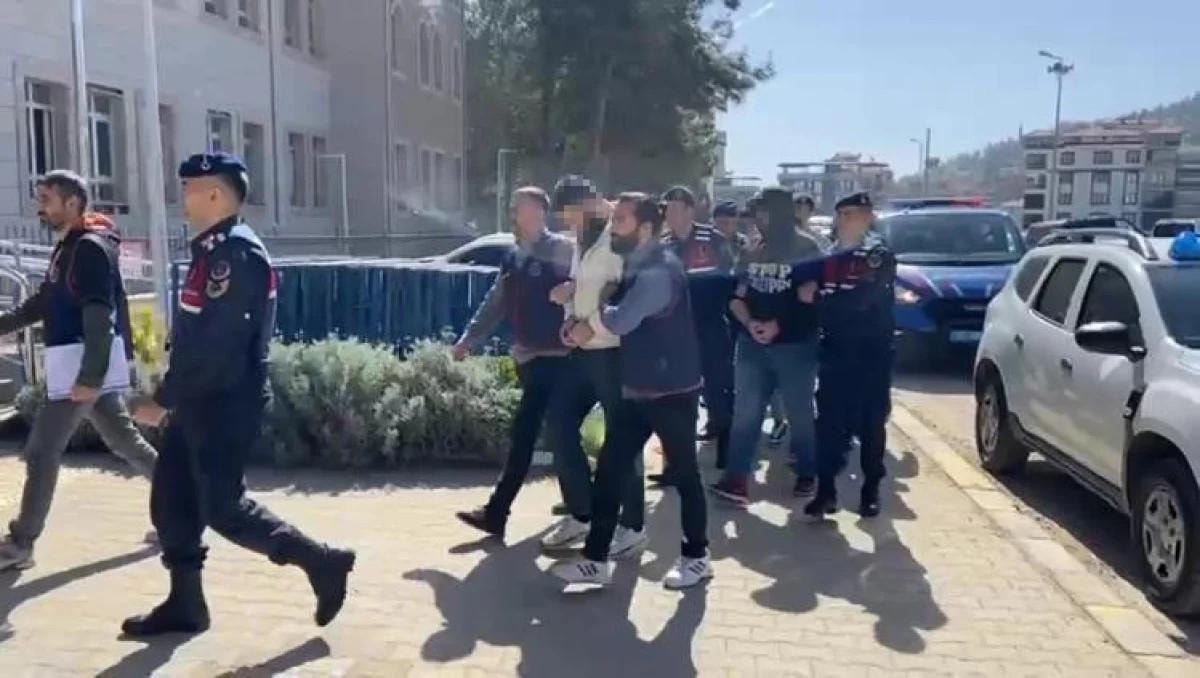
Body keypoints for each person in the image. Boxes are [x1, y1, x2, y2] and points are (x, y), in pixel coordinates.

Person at [123, 153, 355, 636]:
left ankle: (322, 561)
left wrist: (163, 399)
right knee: (172, 500)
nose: (183, 198)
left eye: (190, 188)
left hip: (224, 401)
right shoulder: (213, 251)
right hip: (200, 399)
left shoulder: (235, 256)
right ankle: (186, 604)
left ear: (215, 194)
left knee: (224, 507)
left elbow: (215, 346)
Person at [0, 171, 159, 572]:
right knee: (125, 442)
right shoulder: (70, 246)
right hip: (81, 368)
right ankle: (186, 507)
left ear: (72, 203)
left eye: (47, 200)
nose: (40, 208)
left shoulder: (88, 248)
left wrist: (89, 378)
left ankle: (21, 543)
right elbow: (44, 302)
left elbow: (100, 315)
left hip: (80, 371)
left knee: (42, 451)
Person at [552, 193, 711, 590]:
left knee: (685, 476)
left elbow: (621, 321)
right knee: (611, 470)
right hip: (639, 388)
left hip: (671, 391)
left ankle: (697, 558)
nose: (612, 227)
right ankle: (595, 560)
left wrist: (598, 304)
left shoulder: (658, 271)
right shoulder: (637, 264)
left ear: (645, 228)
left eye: (620, 220)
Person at [453, 186, 575, 539]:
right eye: (516, 206)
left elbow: (588, 284)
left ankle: (498, 512)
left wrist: (571, 289)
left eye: (523, 206)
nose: (517, 211)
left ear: (540, 211)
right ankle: (579, 503)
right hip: (529, 356)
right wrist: (469, 338)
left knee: (529, 434)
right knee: (558, 433)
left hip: (561, 357)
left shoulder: (562, 249)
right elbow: (497, 302)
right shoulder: (514, 255)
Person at [541, 176, 646, 558]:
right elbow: (583, 285)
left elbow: (625, 292)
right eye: (564, 215)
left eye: (571, 212)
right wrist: (570, 316)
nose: (567, 221)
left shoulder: (619, 236)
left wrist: (593, 325)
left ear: (589, 202)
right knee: (558, 423)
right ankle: (582, 513)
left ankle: (632, 526)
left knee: (622, 440)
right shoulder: (581, 241)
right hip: (583, 352)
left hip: (615, 352)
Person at [708, 187, 825, 505]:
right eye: (756, 213)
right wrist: (749, 323)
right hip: (751, 345)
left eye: (764, 211)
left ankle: (807, 473)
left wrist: (779, 324)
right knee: (746, 413)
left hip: (796, 347)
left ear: (780, 212)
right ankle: (736, 481)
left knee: (800, 412)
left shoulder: (807, 247)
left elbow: (813, 299)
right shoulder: (751, 250)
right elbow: (737, 297)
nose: (758, 219)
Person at [798, 191, 896, 518]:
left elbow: (863, 302)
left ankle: (870, 489)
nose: (844, 221)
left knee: (871, 423)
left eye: (852, 215)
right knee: (828, 422)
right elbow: (803, 288)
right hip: (835, 350)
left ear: (867, 218)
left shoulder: (877, 255)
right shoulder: (827, 255)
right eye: (841, 214)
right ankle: (826, 491)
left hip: (871, 353)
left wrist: (818, 299)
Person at [657, 186, 734, 477]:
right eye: (667, 209)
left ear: (690, 210)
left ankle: (726, 455)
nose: (670, 215)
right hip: (674, 334)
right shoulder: (662, 245)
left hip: (710, 326)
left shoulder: (712, 239)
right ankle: (675, 465)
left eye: (676, 208)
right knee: (675, 400)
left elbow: (729, 280)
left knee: (718, 391)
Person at [712, 199, 750, 263]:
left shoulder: (743, 241)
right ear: (715, 222)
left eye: (733, 223)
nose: (729, 227)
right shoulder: (707, 240)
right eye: (724, 223)